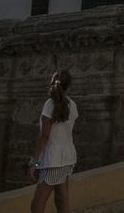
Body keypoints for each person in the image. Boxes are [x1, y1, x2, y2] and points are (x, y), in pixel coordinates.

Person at [29, 69, 76, 213]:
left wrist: (34, 161)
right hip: (67, 157)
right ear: (68, 86)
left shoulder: (50, 104)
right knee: (61, 199)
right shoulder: (72, 105)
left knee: (37, 205)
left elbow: (45, 134)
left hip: (52, 160)